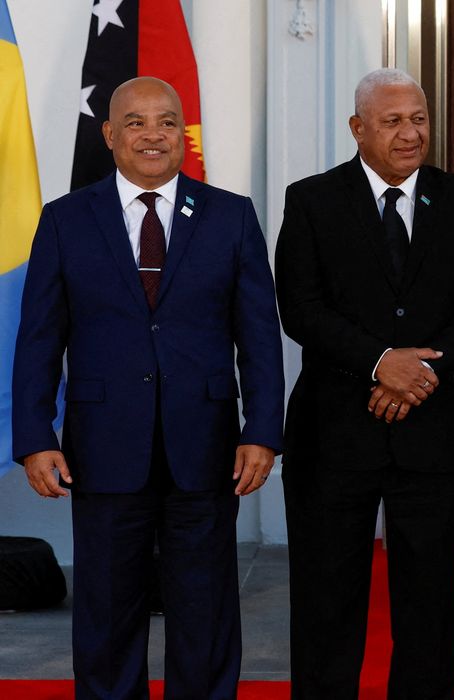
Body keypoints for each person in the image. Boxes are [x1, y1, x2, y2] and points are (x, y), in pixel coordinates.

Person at [11, 77, 284, 698]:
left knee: (206, 610)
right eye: (135, 123)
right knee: (106, 613)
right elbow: (38, 339)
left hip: (207, 448)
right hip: (104, 449)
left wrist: (262, 432)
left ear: (183, 133)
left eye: (167, 121)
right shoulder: (65, 220)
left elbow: (259, 336)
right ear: (109, 135)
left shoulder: (230, 215)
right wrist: (35, 438)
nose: (153, 134)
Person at [275, 68, 454, 699]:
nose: (411, 133)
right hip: (334, 438)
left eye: (419, 119)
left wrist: (421, 370)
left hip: (433, 437)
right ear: (357, 129)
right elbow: (300, 307)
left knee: (429, 608)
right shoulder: (312, 201)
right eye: (393, 121)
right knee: (326, 605)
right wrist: (381, 362)